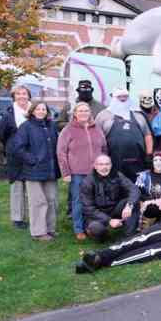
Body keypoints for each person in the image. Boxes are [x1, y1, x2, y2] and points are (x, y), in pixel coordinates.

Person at [56, 102, 107, 240]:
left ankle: (91, 227)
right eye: (80, 111)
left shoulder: (96, 128)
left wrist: (104, 166)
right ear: (75, 113)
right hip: (77, 172)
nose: (84, 113)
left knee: (95, 201)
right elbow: (61, 153)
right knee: (78, 201)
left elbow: (104, 148)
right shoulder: (68, 130)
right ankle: (78, 228)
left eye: (86, 110)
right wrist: (65, 172)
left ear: (90, 112)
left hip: (95, 172)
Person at [13, 101, 60, 241]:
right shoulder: (26, 127)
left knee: (52, 200)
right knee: (38, 202)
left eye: (44, 109)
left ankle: (50, 229)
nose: (41, 111)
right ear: (32, 111)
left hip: (51, 170)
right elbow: (18, 148)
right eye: (38, 109)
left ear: (47, 111)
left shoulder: (51, 126)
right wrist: (33, 160)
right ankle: (38, 232)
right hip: (34, 171)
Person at [95, 88, 153, 182]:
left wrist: (149, 155)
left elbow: (148, 135)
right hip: (112, 162)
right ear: (113, 98)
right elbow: (96, 138)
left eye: (125, 96)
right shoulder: (103, 115)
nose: (122, 99)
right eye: (119, 97)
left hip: (137, 162)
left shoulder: (138, 114)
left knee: (136, 190)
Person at [80, 155, 141, 242]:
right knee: (96, 228)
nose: (104, 167)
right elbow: (88, 208)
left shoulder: (117, 175)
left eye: (107, 164)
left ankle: (128, 237)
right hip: (96, 214)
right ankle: (105, 235)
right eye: (101, 164)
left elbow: (134, 189)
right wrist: (109, 220)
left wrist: (129, 205)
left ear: (111, 165)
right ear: (95, 166)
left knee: (134, 202)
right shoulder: (87, 182)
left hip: (114, 209)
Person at [0, 85, 31, 229]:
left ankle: (33, 216)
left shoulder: (35, 110)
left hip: (32, 153)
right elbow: (2, 134)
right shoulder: (9, 115)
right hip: (15, 156)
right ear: (14, 97)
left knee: (32, 186)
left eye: (24, 93)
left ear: (28, 96)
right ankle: (18, 218)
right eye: (18, 94)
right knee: (17, 186)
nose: (22, 96)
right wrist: (12, 146)